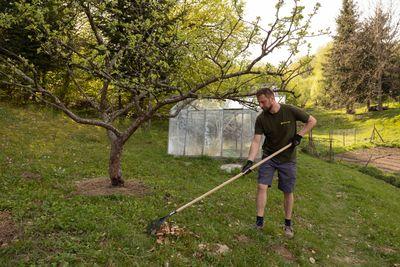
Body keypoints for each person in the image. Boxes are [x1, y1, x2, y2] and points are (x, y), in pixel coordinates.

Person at [241, 88, 317, 238]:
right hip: (269, 157)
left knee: (287, 191)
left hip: (288, 159)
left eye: (263, 101)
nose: (261, 105)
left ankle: (288, 224)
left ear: (271, 98)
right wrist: (250, 161)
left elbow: (312, 121)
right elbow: (256, 141)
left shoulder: (289, 110)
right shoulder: (261, 119)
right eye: (259, 102)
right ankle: (259, 222)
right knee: (261, 186)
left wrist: (299, 135)